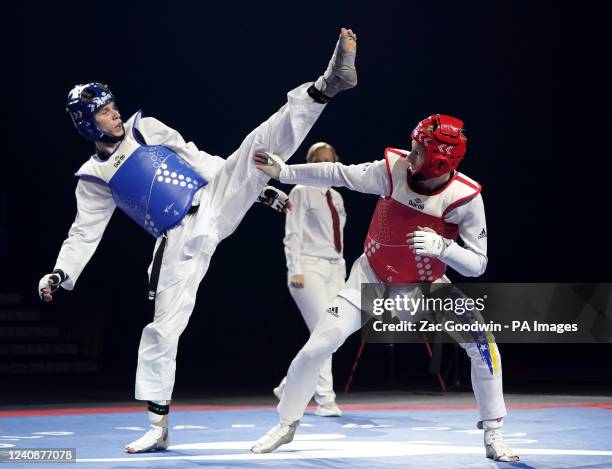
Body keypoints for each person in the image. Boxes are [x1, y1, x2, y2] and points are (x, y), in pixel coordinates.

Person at [37, 27, 358, 453]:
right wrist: (61, 272)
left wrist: (257, 189)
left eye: (114, 106)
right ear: (85, 121)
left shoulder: (145, 127)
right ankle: (157, 424)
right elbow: (84, 232)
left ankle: (324, 87)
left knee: (257, 145)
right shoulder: (93, 178)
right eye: (104, 111)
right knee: (162, 329)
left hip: (210, 198)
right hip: (177, 240)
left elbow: (196, 156)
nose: (115, 113)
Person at [251, 114, 520, 462]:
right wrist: (285, 173)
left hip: (427, 287)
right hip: (369, 278)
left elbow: (478, 264)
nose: (410, 156)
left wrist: (443, 248)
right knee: (318, 344)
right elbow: (339, 174)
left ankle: (494, 434)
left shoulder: (465, 199)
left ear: (440, 159)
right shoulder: (391, 170)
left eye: (419, 151)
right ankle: (286, 424)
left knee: (484, 345)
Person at [275, 142, 346, 417]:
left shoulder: (337, 197)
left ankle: (288, 385)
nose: (324, 165)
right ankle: (325, 399)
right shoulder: (301, 191)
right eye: (318, 160)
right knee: (324, 330)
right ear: (309, 162)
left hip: (334, 269)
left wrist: (342, 270)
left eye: (329, 160)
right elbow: (292, 233)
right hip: (308, 266)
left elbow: (337, 238)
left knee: (334, 333)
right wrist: (294, 269)